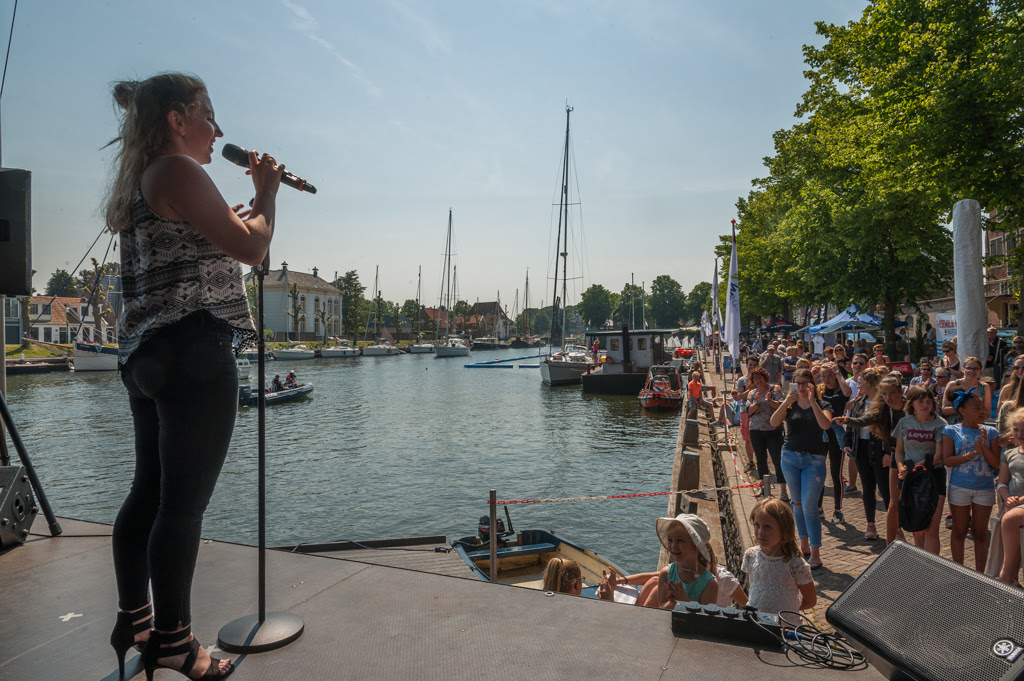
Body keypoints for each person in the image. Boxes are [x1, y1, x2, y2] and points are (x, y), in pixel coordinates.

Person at [105, 73, 283, 681]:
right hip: (194, 353)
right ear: (177, 120)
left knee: (148, 493)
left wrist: (244, 214)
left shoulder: (145, 177)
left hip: (148, 354)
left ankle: (136, 623)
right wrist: (267, 195)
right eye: (209, 115)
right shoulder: (179, 170)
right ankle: (177, 645)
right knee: (182, 508)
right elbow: (252, 250)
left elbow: (220, 247)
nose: (218, 129)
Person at [770, 368, 833, 570]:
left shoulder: (823, 404)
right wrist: (786, 402)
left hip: (814, 460)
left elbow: (825, 425)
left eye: (805, 383)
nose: (801, 387)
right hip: (790, 457)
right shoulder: (791, 405)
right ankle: (803, 545)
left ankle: (815, 552)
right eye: (798, 383)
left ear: (812, 384)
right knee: (796, 504)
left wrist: (813, 401)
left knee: (809, 506)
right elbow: (774, 422)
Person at [940, 389, 1001, 571]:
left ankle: (980, 574)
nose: (982, 411)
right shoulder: (950, 430)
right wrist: (973, 453)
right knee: (959, 530)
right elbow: (948, 460)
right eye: (977, 408)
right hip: (959, 487)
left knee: (980, 532)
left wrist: (983, 447)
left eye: (983, 407)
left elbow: (995, 463)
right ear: (962, 411)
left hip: (984, 488)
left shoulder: (991, 432)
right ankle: (960, 571)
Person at [893, 386, 948, 554]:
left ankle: (931, 565)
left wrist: (916, 467)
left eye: (929, 401)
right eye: (921, 401)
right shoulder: (904, 422)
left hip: (933, 476)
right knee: (916, 526)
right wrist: (901, 466)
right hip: (910, 478)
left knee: (931, 527)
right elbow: (899, 451)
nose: (925, 405)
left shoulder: (940, 424)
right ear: (912, 403)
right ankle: (920, 562)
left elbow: (939, 456)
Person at [837, 368, 888, 541]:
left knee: (885, 489)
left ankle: (895, 526)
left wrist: (888, 451)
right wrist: (847, 443)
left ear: (871, 383)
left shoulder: (883, 403)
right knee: (867, 487)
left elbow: (890, 428)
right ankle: (870, 524)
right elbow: (851, 426)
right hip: (861, 448)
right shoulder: (858, 402)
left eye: (861, 381)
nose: (858, 385)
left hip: (879, 449)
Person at [742, 498, 816, 614]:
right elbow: (751, 587)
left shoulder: (796, 565)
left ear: (784, 530)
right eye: (757, 525)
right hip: (756, 620)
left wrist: (786, 610)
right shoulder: (750, 555)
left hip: (783, 622)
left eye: (767, 527)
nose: (760, 532)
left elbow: (810, 601)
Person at [636, 514, 719, 608]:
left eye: (680, 540)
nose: (673, 546)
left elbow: (703, 617)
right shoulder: (666, 574)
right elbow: (661, 608)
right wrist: (673, 602)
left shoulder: (709, 583)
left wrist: (683, 601)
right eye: (670, 540)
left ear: (696, 545)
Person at [745, 367, 787, 500]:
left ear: (765, 378)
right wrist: (757, 403)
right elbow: (749, 411)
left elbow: (782, 406)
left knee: (777, 459)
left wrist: (769, 401)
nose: (758, 381)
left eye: (760, 378)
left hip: (773, 430)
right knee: (760, 459)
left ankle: (783, 490)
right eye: (755, 379)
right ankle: (763, 487)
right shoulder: (752, 393)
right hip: (756, 430)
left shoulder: (775, 389)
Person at [817, 363, 851, 523]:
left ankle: (838, 510)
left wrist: (838, 372)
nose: (826, 379)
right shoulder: (819, 391)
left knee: (836, 474)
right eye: (823, 376)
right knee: (819, 472)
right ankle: (819, 507)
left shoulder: (840, 391)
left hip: (836, 435)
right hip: (821, 434)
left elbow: (847, 392)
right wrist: (813, 373)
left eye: (830, 375)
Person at [996, 409, 1024, 585]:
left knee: (1009, 519)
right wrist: (1007, 498)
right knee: (1010, 519)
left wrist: (1018, 501)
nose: (1020, 434)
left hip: (1017, 506)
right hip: (1014, 504)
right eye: (1016, 430)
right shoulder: (1009, 453)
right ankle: (1011, 579)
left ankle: (1005, 574)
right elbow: (1002, 482)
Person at [942, 356, 994, 425]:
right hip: (955, 426)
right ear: (963, 369)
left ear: (981, 370)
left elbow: (987, 414)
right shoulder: (953, 385)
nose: (972, 371)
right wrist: (966, 408)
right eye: (968, 368)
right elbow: (944, 410)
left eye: (975, 368)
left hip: (976, 425)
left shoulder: (984, 387)